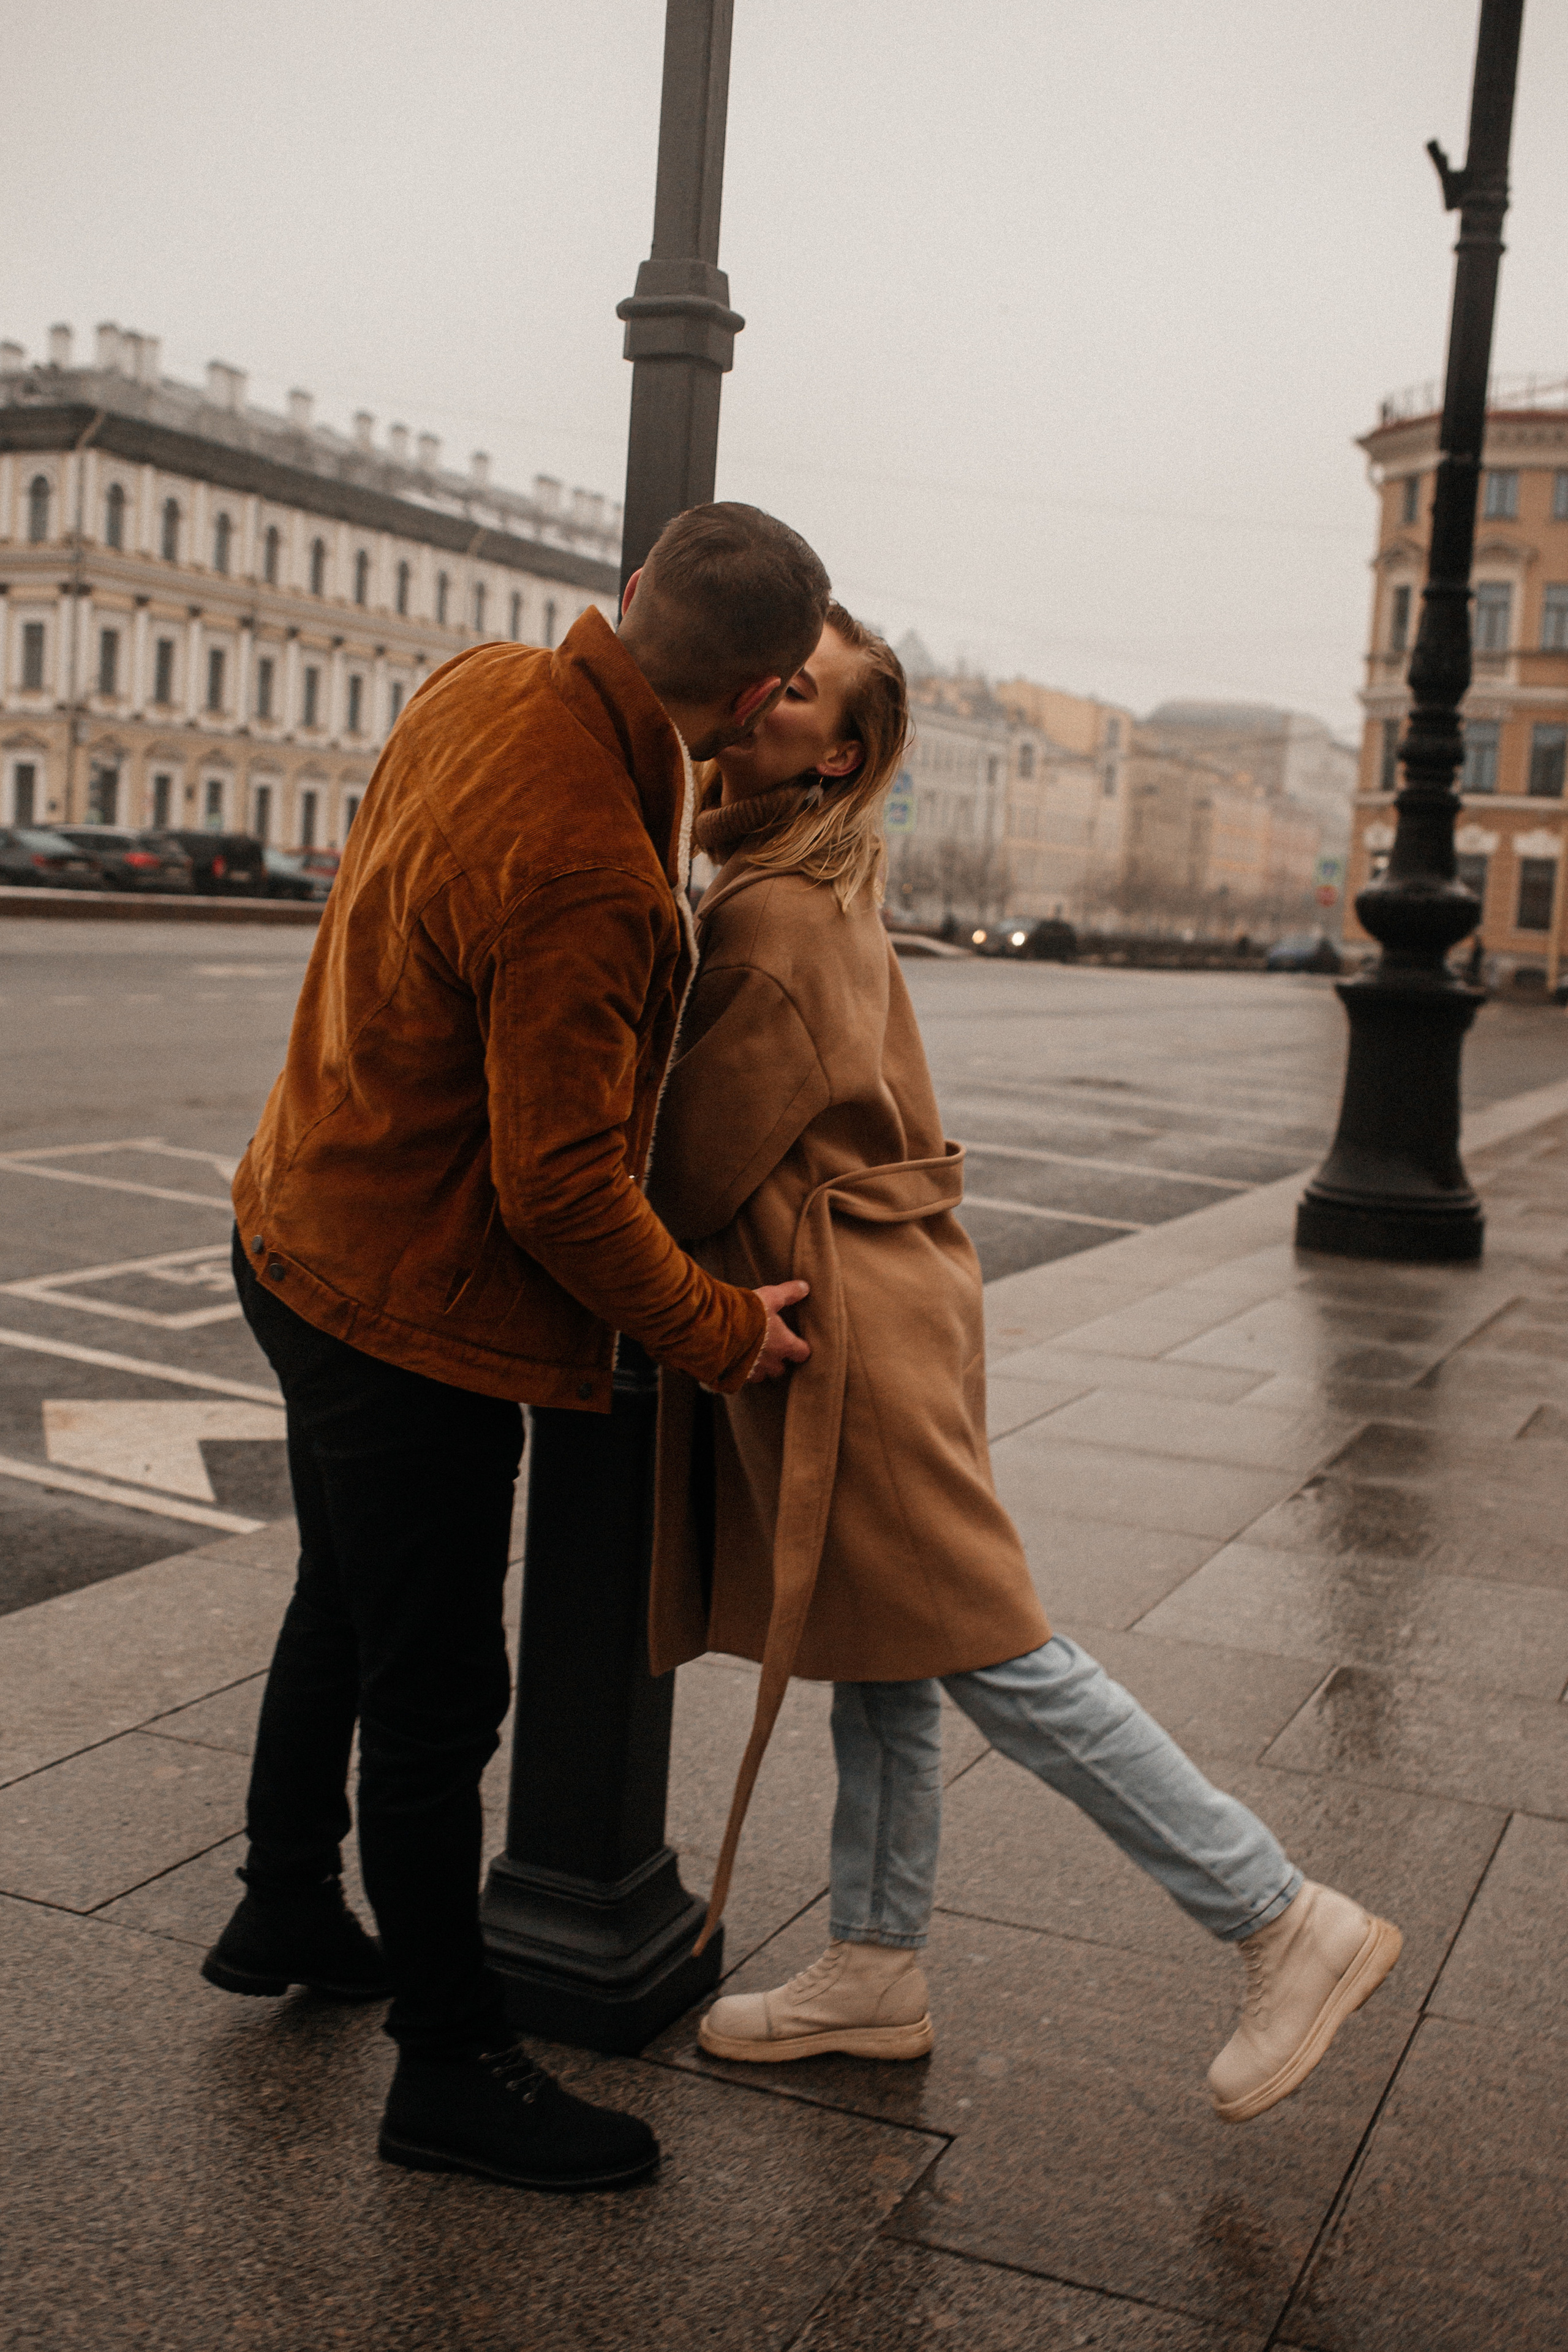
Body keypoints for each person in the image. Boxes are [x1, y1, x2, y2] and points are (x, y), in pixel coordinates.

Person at [647, 607, 1402, 2125]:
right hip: (899, 1295)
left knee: (990, 1646)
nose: (758, 696)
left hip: (844, 1323)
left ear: (838, 751)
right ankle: (873, 1965)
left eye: (794, 687)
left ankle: (1273, 1915)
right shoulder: (807, 881)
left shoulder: (769, 917)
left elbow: (685, 1169)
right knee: (887, 1641)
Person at [203, 503, 826, 2195]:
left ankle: (281, 1902)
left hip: (295, 1222)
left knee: (343, 1594)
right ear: (767, 691)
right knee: (437, 1695)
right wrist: (717, 1331)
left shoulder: (484, 680)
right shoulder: (594, 875)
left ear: (632, 600)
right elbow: (557, 1191)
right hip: (409, 1308)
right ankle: (452, 2066)